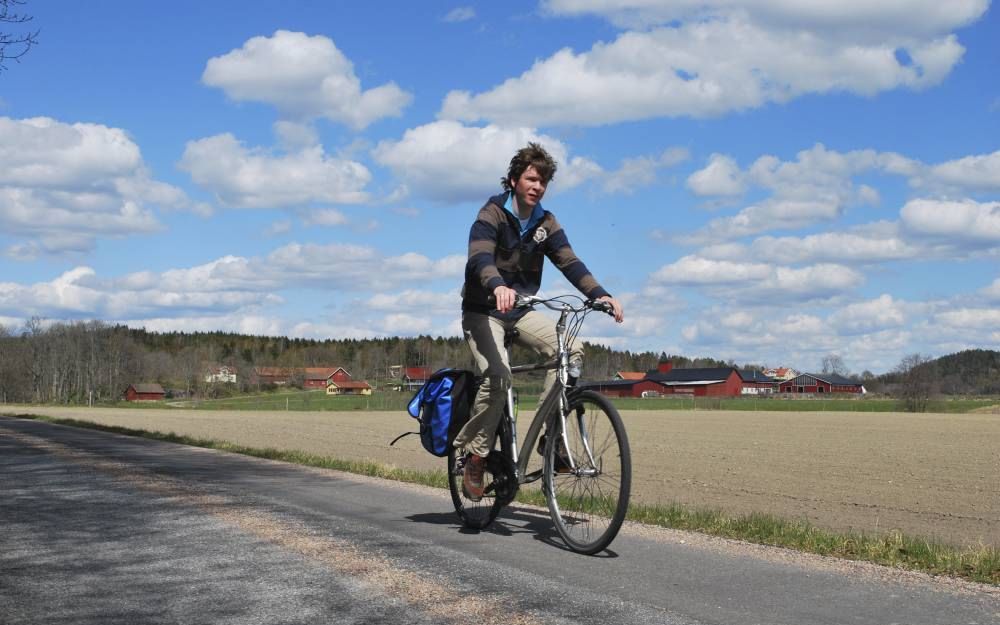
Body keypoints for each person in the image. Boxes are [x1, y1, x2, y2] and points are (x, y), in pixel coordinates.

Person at [455, 142, 624, 501]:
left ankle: (552, 437)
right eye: (532, 179)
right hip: (483, 311)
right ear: (514, 179)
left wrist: (600, 295)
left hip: (520, 311)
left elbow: (569, 261)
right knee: (498, 376)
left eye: (543, 181)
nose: (538, 186)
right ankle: (476, 456)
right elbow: (479, 258)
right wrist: (497, 284)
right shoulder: (492, 214)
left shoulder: (545, 223)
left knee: (572, 351)